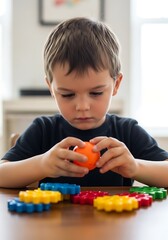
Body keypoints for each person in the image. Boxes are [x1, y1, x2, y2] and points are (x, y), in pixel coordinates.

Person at [1, 17, 168, 188]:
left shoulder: (127, 132)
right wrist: (42, 165)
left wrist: (136, 167)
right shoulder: (43, 130)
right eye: (67, 95)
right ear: (51, 88)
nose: (82, 107)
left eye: (96, 93)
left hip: (112, 215)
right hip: (55, 216)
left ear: (116, 84)